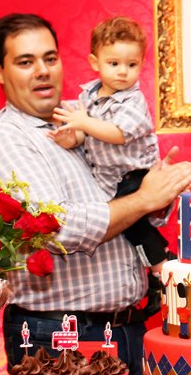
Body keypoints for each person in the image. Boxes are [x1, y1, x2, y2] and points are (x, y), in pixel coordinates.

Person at [0, 13, 191, 375]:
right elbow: (56, 228)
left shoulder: (84, 116)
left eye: (50, 58)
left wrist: (156, 195)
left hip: (125, 328)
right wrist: (143, 200)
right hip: (57, 337)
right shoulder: (8, 138)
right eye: (25, 62)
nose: (42, 71)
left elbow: (123, 201)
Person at [50, 17, 171, 279]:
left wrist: (84, 122)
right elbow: (85, 134)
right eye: (114, 63)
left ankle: (162, 264)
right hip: (109, 179)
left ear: (141, 64)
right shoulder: (88, 97)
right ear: (95, 63)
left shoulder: (132, 100)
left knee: (134, 224)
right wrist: (72, 137)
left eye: (131, 64)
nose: (122, 71)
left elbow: (118, 134)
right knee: (123, 225)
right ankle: (156, 264)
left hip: (134, 174)